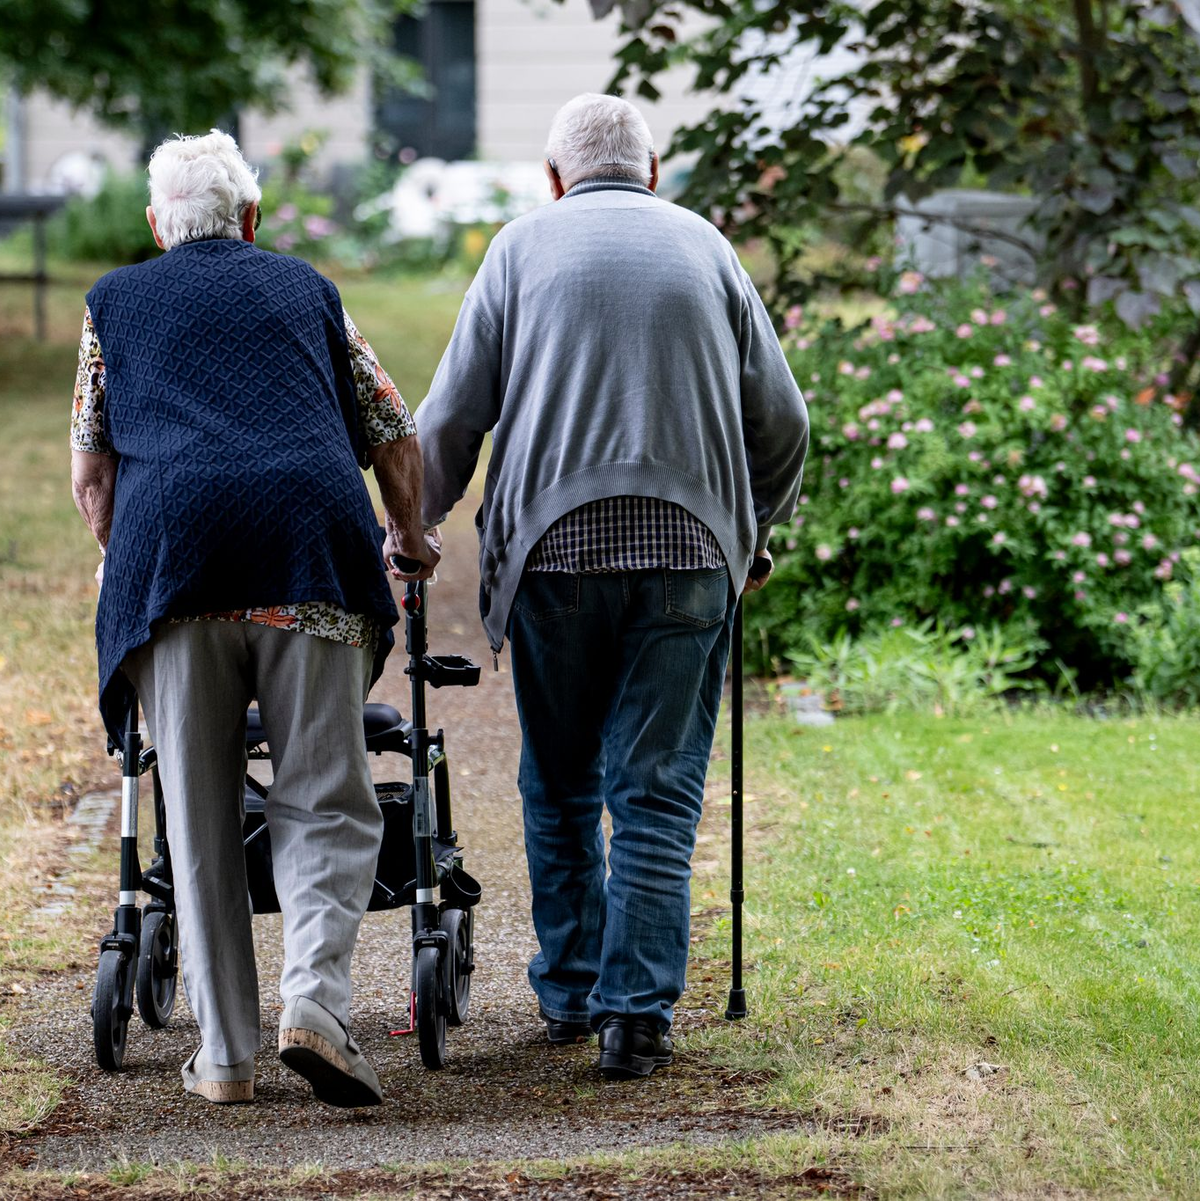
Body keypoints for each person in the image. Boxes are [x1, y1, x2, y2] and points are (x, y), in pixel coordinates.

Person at [416, 94, 809, 1079]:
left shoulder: (518, 248)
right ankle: (634, 1018)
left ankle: (571, 991)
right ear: (655, 170)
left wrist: (409, 522)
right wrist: (750, 536)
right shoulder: (709, 249)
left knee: (558, 783)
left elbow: (453, 418)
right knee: (656, 793)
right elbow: (786, 422)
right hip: (689, 549)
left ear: (554, 178)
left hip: (553, 555)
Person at [70, 130, 439, 1107]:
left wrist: (121, 555)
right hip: (305, 551)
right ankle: (314, 1001)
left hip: (173, 567)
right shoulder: (305, 290)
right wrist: (411, 535)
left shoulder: (114, 301)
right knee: (323, 794)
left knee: (193, 816)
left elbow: (92, 469)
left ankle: (226, 1057)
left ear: (156, 227)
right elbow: (392, 427)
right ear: (252, 218)